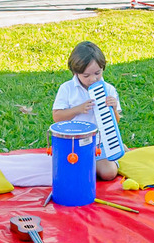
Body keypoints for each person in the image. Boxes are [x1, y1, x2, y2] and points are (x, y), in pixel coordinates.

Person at [51, 41, 122, 181]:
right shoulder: (67, 89)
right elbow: (57, 117)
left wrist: (113, 109)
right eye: (86, 75)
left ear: (103, 68)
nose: (93, 79)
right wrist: (78, 109)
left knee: (109, 173)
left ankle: (104, 157)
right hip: (73, 143)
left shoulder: (109, 90)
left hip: (100, 142)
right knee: (71, 174)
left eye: (97, 73)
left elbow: (116, 121)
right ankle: (86, 163)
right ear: (76, 72)